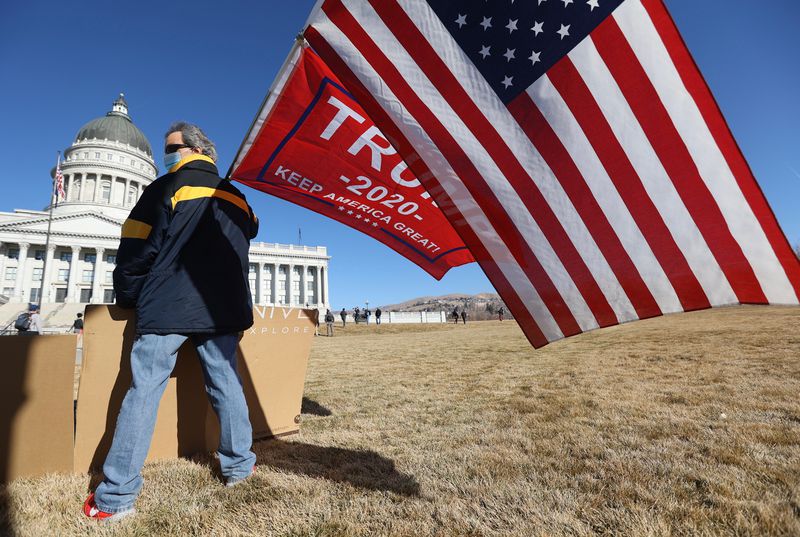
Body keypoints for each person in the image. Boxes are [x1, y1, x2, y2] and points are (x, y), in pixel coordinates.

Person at [83, 122, 259, 522]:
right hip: (223, 309)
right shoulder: (238, 198)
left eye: (169, 148)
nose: (166, 155)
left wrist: (128, 296)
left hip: (169, 304)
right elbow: (249, 231)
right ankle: (238, 467)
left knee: (144, 391)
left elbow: (135, 248)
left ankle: (115, 498)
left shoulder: (164, 188)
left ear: (189, 149)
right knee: (227, 384)